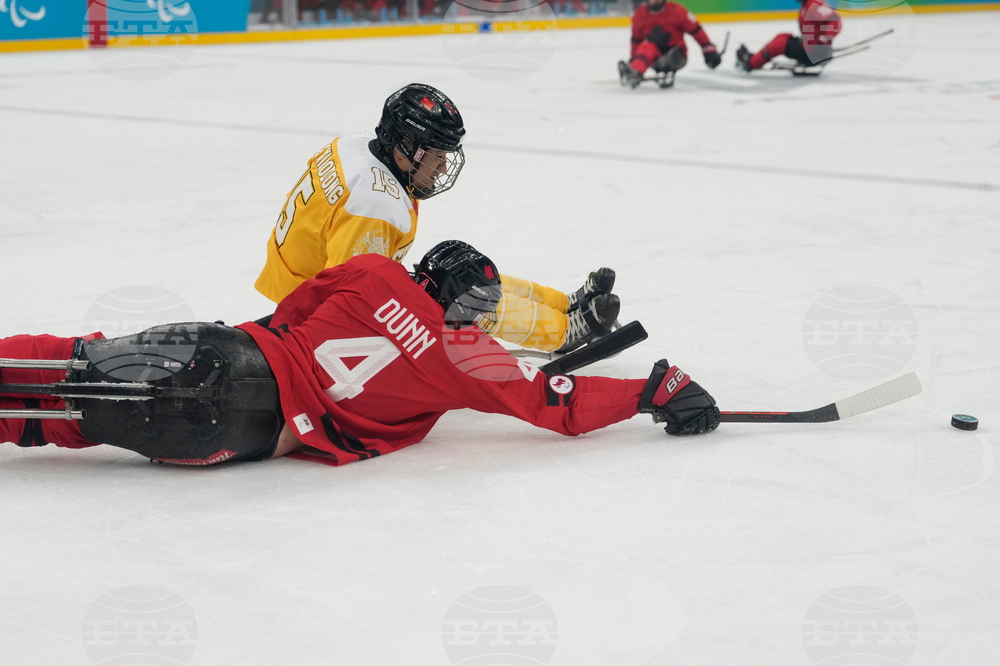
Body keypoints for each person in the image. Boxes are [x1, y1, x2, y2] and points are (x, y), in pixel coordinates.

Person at [1, 243, 721, 467]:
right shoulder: (469, 356)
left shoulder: (377, 270)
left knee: (75, 362)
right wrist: (653, 389)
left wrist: (272, 343)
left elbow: (297, 305)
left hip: (234, 351)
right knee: (78, 418)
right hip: (251, 432)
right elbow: (553, 406)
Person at [254, 82, 619, 355]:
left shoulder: (357, 147)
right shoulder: (376, 204)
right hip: (309, 318)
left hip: (296, 280)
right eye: (436, 154)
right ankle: (563, 332)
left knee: (461, 272)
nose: (443, 165)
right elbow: (347, 300)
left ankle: (562, 304)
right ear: (404, 145)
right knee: (463, 296)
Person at [618, 0, 722, 89]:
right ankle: (635, 72)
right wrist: (634, 60)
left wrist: (709, 50)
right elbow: (636, 41)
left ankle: (661, 65)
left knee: (673, 53)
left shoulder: (677, 11)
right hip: (655, 56)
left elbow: (696, 30)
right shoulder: (639, 15)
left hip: (677, 53)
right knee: (647, 46)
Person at [736, 0, 841, 72]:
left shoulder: (813, 4)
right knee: (783, 36)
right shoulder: (808, 4)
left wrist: (824, 41)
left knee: (779, 44)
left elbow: (835, 21)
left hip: (814, 55)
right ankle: (755, 58)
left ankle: (751, 63)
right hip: (812, 51)